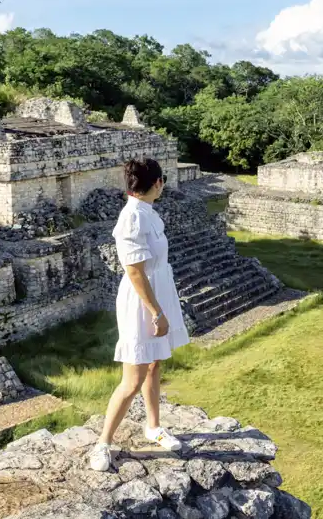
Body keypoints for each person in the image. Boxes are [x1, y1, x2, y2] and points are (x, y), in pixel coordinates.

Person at [89, 158, 190, 472]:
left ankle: (153, 426)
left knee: (155, 362)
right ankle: (103, 443)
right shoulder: (132, 217)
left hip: (158, 290)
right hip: (141, 301)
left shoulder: (148, 213)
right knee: (132, 379)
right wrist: (156, 312)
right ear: (158, 183)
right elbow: (134, 272)